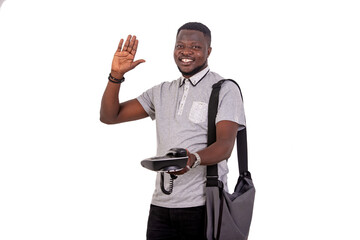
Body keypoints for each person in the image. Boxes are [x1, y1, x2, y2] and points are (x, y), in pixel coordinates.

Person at [100, 22, 245, 240]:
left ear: (209, 51)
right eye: (180, 46)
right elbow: (110, 116)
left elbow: (225, 146)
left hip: (203, 204)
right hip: (161, 205)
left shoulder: (224, 88)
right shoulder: (161, 91)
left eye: (195, 47)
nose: (186, 52)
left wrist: (193, 159)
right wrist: (115, 76)